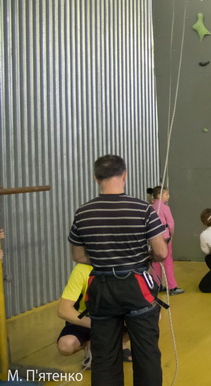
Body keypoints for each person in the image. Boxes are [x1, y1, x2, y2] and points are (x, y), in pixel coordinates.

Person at [69, 154, 168, 386]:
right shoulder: (142, 209)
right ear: (124, 175)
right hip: (136, 286)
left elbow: (78, 255)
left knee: (104, 357)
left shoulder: (83, 212)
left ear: (96, 178)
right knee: (146, 354)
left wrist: (104, 258)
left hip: (101, 289)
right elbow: (161, 252)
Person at [56, 263, 132, 369]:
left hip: (114, 317)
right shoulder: (82, 269)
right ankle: (89, 344)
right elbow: (63, 310)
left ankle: (120, 343)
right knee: (65, 345)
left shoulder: (124, 265)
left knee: (153, 317)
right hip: (87, 318)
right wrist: (95, 324)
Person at [148, 186, 184, 296]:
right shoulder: (165, 208)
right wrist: (171, 234)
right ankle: (172, 287)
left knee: (155, 262)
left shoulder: (150, 207)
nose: (168, 196)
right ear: (160, 195)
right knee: (168, 262)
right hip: (165, 238)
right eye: (166, 194)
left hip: (153, 237)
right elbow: (171, 223)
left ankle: (157, 285)